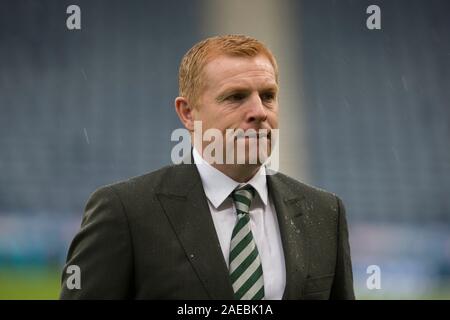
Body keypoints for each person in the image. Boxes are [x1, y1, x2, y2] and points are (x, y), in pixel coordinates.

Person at [60, 35, 355, 300]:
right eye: (235, 97)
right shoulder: (125, 212)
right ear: (188, 113)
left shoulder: (325, 212)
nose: (259, 112)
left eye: (268, 96)